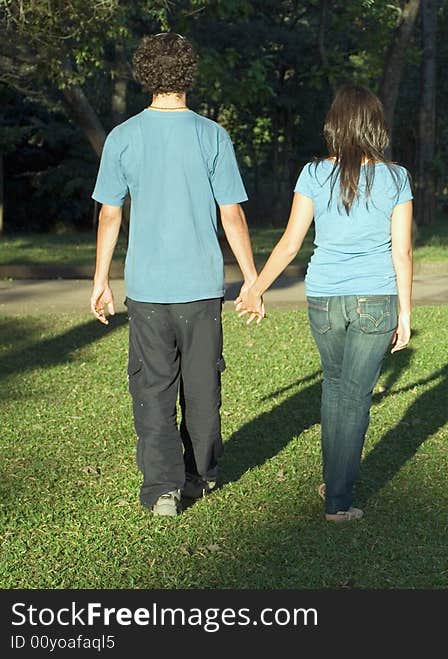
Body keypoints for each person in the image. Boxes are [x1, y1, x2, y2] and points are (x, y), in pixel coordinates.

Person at [90, 33, 259, 517]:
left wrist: (101, 278)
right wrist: (251, 278)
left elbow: (109, 214)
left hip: (146, 290)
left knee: (153, 388)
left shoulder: (122, 137)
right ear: (189, 74)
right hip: (202, 289)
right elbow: (232, 215)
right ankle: (199, 477)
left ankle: (163, 490)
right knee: (203, 388)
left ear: (145, 74)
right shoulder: (212, 135)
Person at [237, 83, 413, 523]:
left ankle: (333, 481)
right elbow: (402, 252)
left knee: (335, 389)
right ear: (375, 126)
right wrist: (406, 313)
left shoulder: (313, 174)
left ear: (334, 125)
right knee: (353, 397)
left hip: (324, 299)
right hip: (375, 299)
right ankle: (338, 499)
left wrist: (257, 287)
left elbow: (290, 243)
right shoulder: (396, 177)